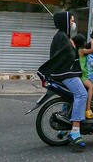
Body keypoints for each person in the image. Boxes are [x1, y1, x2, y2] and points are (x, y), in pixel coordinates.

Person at [36, 11, 86, 148]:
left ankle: (63, 129)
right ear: (65, 22)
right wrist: (72, 47)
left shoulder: (63, 36)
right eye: (71, 21)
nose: (73, 23)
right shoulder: (62, 37)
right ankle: (75, 131)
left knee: (72, 97)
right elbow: (66, 56)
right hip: (64, 74)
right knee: (82, 94)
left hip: (63, 73)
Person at [72, 34, 93, 120]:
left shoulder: (77, 50)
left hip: (83, 74)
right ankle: (88, 109)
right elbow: (92, 50)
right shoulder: (81, 51)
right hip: (82, 75)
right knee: (91, 87)